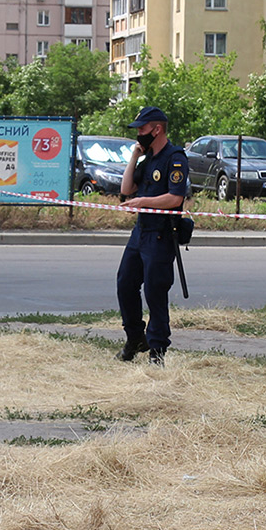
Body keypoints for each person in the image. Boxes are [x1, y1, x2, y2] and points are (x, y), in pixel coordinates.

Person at [115, 106, 189, 365]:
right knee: (125, 283)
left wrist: (143, 201)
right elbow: (126, 189)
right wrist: (134, 156)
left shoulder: (175, 158)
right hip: (141, 232)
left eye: (143, 129)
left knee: (155, 293)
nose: (139, 134)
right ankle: (135, 337)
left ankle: (157, 350)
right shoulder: (147, 160)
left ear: (157, 129)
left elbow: (175, 197)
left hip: (161, 234)